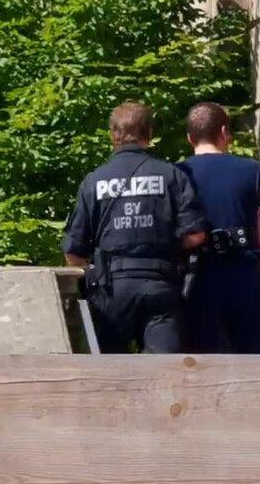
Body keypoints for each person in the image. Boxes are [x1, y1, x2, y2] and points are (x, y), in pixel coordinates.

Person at [63, 102, 208, 353]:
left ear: (113, 135)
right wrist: (165, 245)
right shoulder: (171, 175)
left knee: (112, 376)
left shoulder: (93, 181)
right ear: (149, 134)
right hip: (160, 286)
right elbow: (196, 234)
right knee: (164, 374)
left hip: (111, 292)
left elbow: (73, 253)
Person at [178, 102, 260, 353]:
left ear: (190, 138)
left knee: (204, 362)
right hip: (245, 275)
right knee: (253, 362)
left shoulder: (177, 174)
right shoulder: (251, 170)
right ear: (224, 132)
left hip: (198, 277)